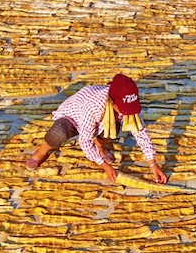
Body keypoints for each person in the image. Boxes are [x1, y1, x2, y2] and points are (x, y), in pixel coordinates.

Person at [26, 74, 168, 184]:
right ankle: (41, 152)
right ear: (111, 101)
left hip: (100, 120)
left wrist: (152, 164)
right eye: (123, 109)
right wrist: (104, 165)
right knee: (58, 133)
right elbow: (84, 141)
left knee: (112, 130)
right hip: (73, 118)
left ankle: (99, 147)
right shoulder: (94, 106)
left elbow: (140, 132)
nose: (127, 113)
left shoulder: (128, 105)